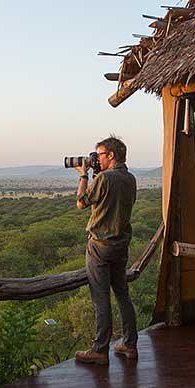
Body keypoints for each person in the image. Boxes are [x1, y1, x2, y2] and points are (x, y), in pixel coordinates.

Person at [72, 135, 138, 365]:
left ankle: (100, 350)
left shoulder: (105, 178)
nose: (96, 159)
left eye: (99, 155)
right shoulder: (130, 178)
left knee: (101, 298)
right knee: (122, 295)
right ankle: (129, 344)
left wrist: (83, 175)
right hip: (121, 245)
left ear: (111, 155)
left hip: (100, 245)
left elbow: (81, 202)